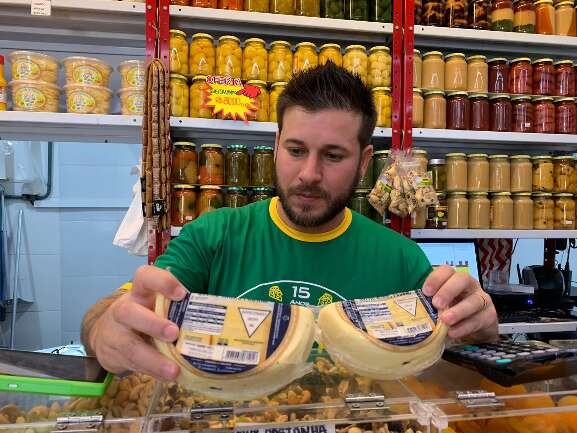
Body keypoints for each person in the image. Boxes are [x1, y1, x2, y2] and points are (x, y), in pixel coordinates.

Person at [82, 62, 498, 382]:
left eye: (333, 156)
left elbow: (459, 345)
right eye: (296, 150)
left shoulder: (402, 258)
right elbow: (118, 311)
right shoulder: (213, 236)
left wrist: (480, 326)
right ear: (276, 145)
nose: (309, 174)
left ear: (364, 161)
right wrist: (103, 329)